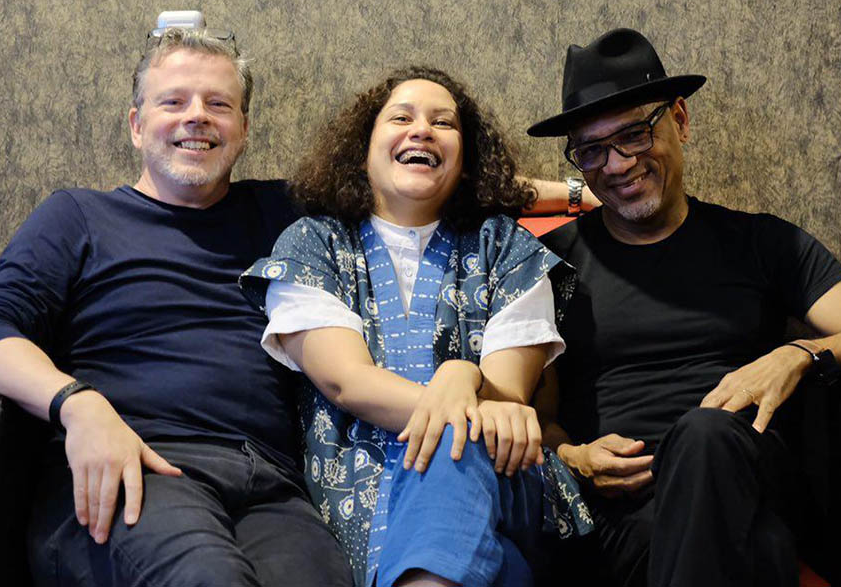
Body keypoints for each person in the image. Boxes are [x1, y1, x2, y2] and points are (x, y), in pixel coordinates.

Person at [0, 22, 353, 587]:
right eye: (174, 102)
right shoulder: (78, 217)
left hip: (271, 486)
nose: (197, 116)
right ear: (137, 126)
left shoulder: (284, 214)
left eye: (219, 104)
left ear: (243, 130)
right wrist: (77, 404)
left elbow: (405, 189)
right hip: (135, 464)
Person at [526, 27, 841, 587]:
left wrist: (798, 354)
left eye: (635, 134)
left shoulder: (759, 242)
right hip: (621, 518)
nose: (615, 165)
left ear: (680, 120)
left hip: (742, 477)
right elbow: (532, 414)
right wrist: (575, 457)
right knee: (756, 548)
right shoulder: (552, 265)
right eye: (591, 150)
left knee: (704, 435)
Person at [240, 66, 591, 587]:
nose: (422, 130)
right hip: (355, 499)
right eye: (401, 118)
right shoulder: (313, 244)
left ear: (466, 160)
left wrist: (462, 380)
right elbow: (346, 382)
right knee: (501, 565)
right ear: (362, 150)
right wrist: (459, 385)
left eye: (443, 123)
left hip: (501, 478)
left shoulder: (506, 247)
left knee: (458, 436)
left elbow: (507, 396)